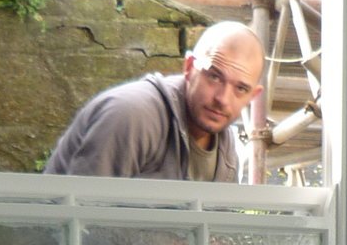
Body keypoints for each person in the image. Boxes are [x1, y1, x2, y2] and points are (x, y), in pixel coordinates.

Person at [44, 20, 265, 180]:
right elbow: (83, 223)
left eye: (240, 88)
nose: (223, 99)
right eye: (214, 77)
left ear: (252, 96)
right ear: (189, 68)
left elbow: (218, 237)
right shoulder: (131, 116)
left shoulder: (226, 153)